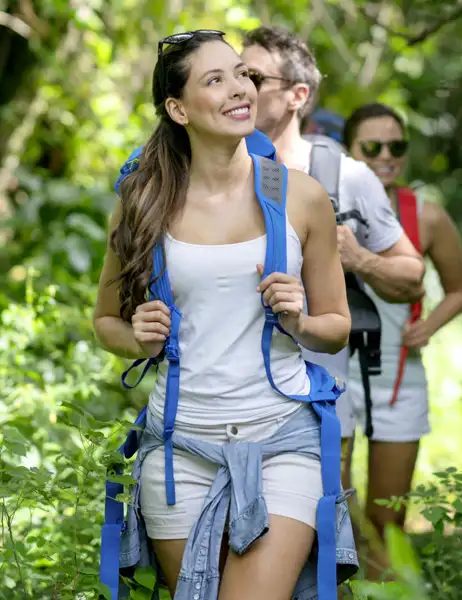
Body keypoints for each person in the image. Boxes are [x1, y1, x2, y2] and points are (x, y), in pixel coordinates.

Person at [93, 30, 357, 600]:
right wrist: (138, 338)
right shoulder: (142, 200)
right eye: (216, 79)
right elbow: (106, 321)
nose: (240, 88)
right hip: (177, 451)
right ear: (178, 109)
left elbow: (337, 328)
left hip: (282, 438)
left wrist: (300, 322)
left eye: (242, 74)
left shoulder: (301, 196)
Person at [240, 26, 426, 397]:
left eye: (255, 78)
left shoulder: (347, 176)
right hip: (222, 399)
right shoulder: (207, 174)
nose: (240, 88)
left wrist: (361, 260)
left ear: (298, 95)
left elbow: (413, 279)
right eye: (236, 75)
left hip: (319, 398)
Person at [340, 103, 462, 579]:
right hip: (333, 375)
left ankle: (384, 587)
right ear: (348, 152)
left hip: (399, 378)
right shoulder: (321, 205)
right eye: (372, 146)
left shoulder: (426, 216)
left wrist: (429, 326)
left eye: (397, 146)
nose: (386, 156)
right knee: (332, 510)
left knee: (387, 518)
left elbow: (459, 290)